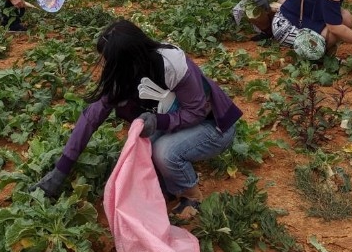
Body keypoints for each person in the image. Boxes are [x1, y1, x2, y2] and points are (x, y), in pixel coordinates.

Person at [32, 19, 242, 219]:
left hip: (213, 125)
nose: (105, 66)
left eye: (109, 61)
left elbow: (196, 111)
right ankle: (166, 185)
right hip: (176, 120)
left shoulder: (172, 65)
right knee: (135, 155)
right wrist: (61, 170)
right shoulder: (123, 74)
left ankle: (190, 195)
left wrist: (159, 122)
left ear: (128, 60)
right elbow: (91, 118)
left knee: (164, 153)